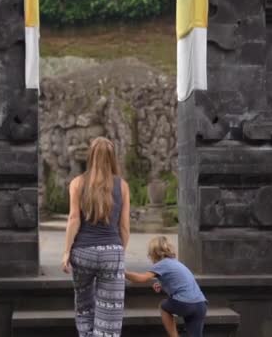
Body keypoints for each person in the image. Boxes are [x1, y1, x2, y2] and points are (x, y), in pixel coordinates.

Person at [61, 137, 131, 337]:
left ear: (90, 157)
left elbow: (74, 219)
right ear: (113, 158)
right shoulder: (122, 186)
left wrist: (67, 252)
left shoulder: (77, 183)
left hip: (82, 253)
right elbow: (124, 227)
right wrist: (118, 253)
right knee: (109, 314)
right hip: (112, 252)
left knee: (84, 307)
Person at [125, 236, 207, 337]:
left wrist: (123, 272)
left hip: (185, 303)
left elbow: (141, 278)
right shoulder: (176, 263)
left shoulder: (162, 264)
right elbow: (179, 281)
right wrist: (161, 284)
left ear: (154, 253)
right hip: (200, 304)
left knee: (164, 307)